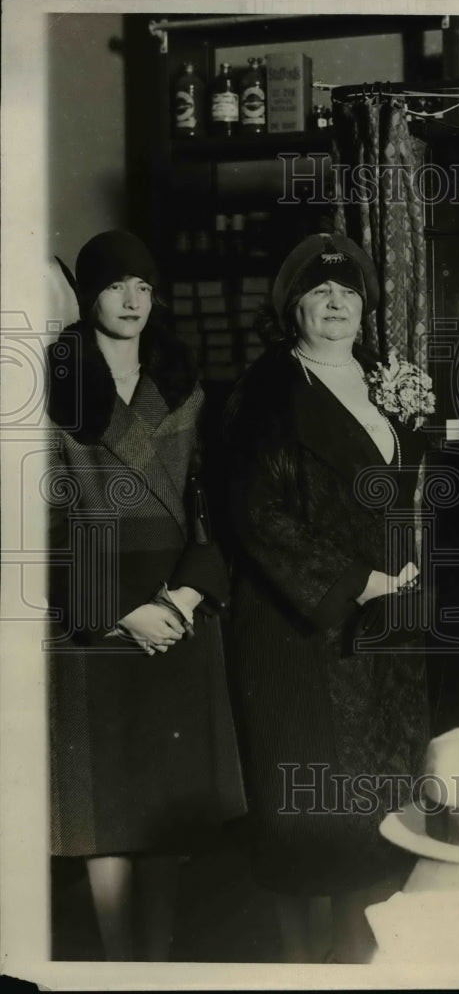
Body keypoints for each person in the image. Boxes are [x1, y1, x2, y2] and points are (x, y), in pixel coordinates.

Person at [224, 232, 429, 964]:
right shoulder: (266, 393)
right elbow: (255, 514)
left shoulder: (384, 381)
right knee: (309, 811)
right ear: (293, 310)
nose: (336, 303)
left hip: (385, 630)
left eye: (348, 292)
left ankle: (362, 955)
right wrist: (353, 581)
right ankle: (302, 967)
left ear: (366, 306)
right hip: (301, 635)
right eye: (319, 292)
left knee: (380, 806)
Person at [45, 230, 246, 960]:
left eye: (145, 286)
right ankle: (114, 961)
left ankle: (153, 965)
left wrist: (185, 599)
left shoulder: (185, 385)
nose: (132, 301)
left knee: (164, 808)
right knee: (104, 805)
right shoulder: (51, 383)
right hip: (94, 607)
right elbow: (41, 521)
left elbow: (213, 508)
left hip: (174, 602)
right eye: (114, 285)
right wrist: (117, 612)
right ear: (87, 295)